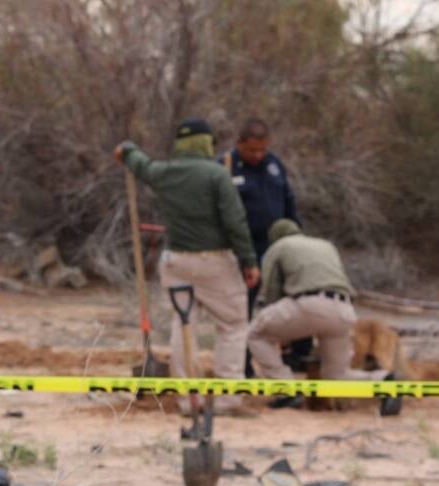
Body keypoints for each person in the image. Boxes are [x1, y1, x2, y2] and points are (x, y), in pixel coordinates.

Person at [115, 118, 259, 409]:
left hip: (176, 261)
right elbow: (235, 222)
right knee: (232, 325)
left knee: (184, 327)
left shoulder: (165, 172)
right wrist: (248, 260)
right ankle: (227, 397)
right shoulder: (217, 175)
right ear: (206, 143)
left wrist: (127, 151)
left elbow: (140, 164)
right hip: (215, 261)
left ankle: (188, 397)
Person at [246, 219, 400, 415]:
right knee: (335, 377)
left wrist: (280, 332)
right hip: (344, 310)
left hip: (310, 305)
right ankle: (385, 382)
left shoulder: (278, 247)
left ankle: (286, 391)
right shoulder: (325, 245)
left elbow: (272, 292)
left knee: (255, 333)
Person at [221, 117, 308, 376]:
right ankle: (243, 365)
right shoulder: (225, 167)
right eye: (252, 150)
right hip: (245, 251)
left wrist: (298, 237)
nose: (258, 155)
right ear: (239, 144)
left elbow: (288, 201)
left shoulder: (274, 165)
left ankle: (297, 357)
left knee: (295, 300)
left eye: (262, 149)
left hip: (279, 247)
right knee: (242, 309)